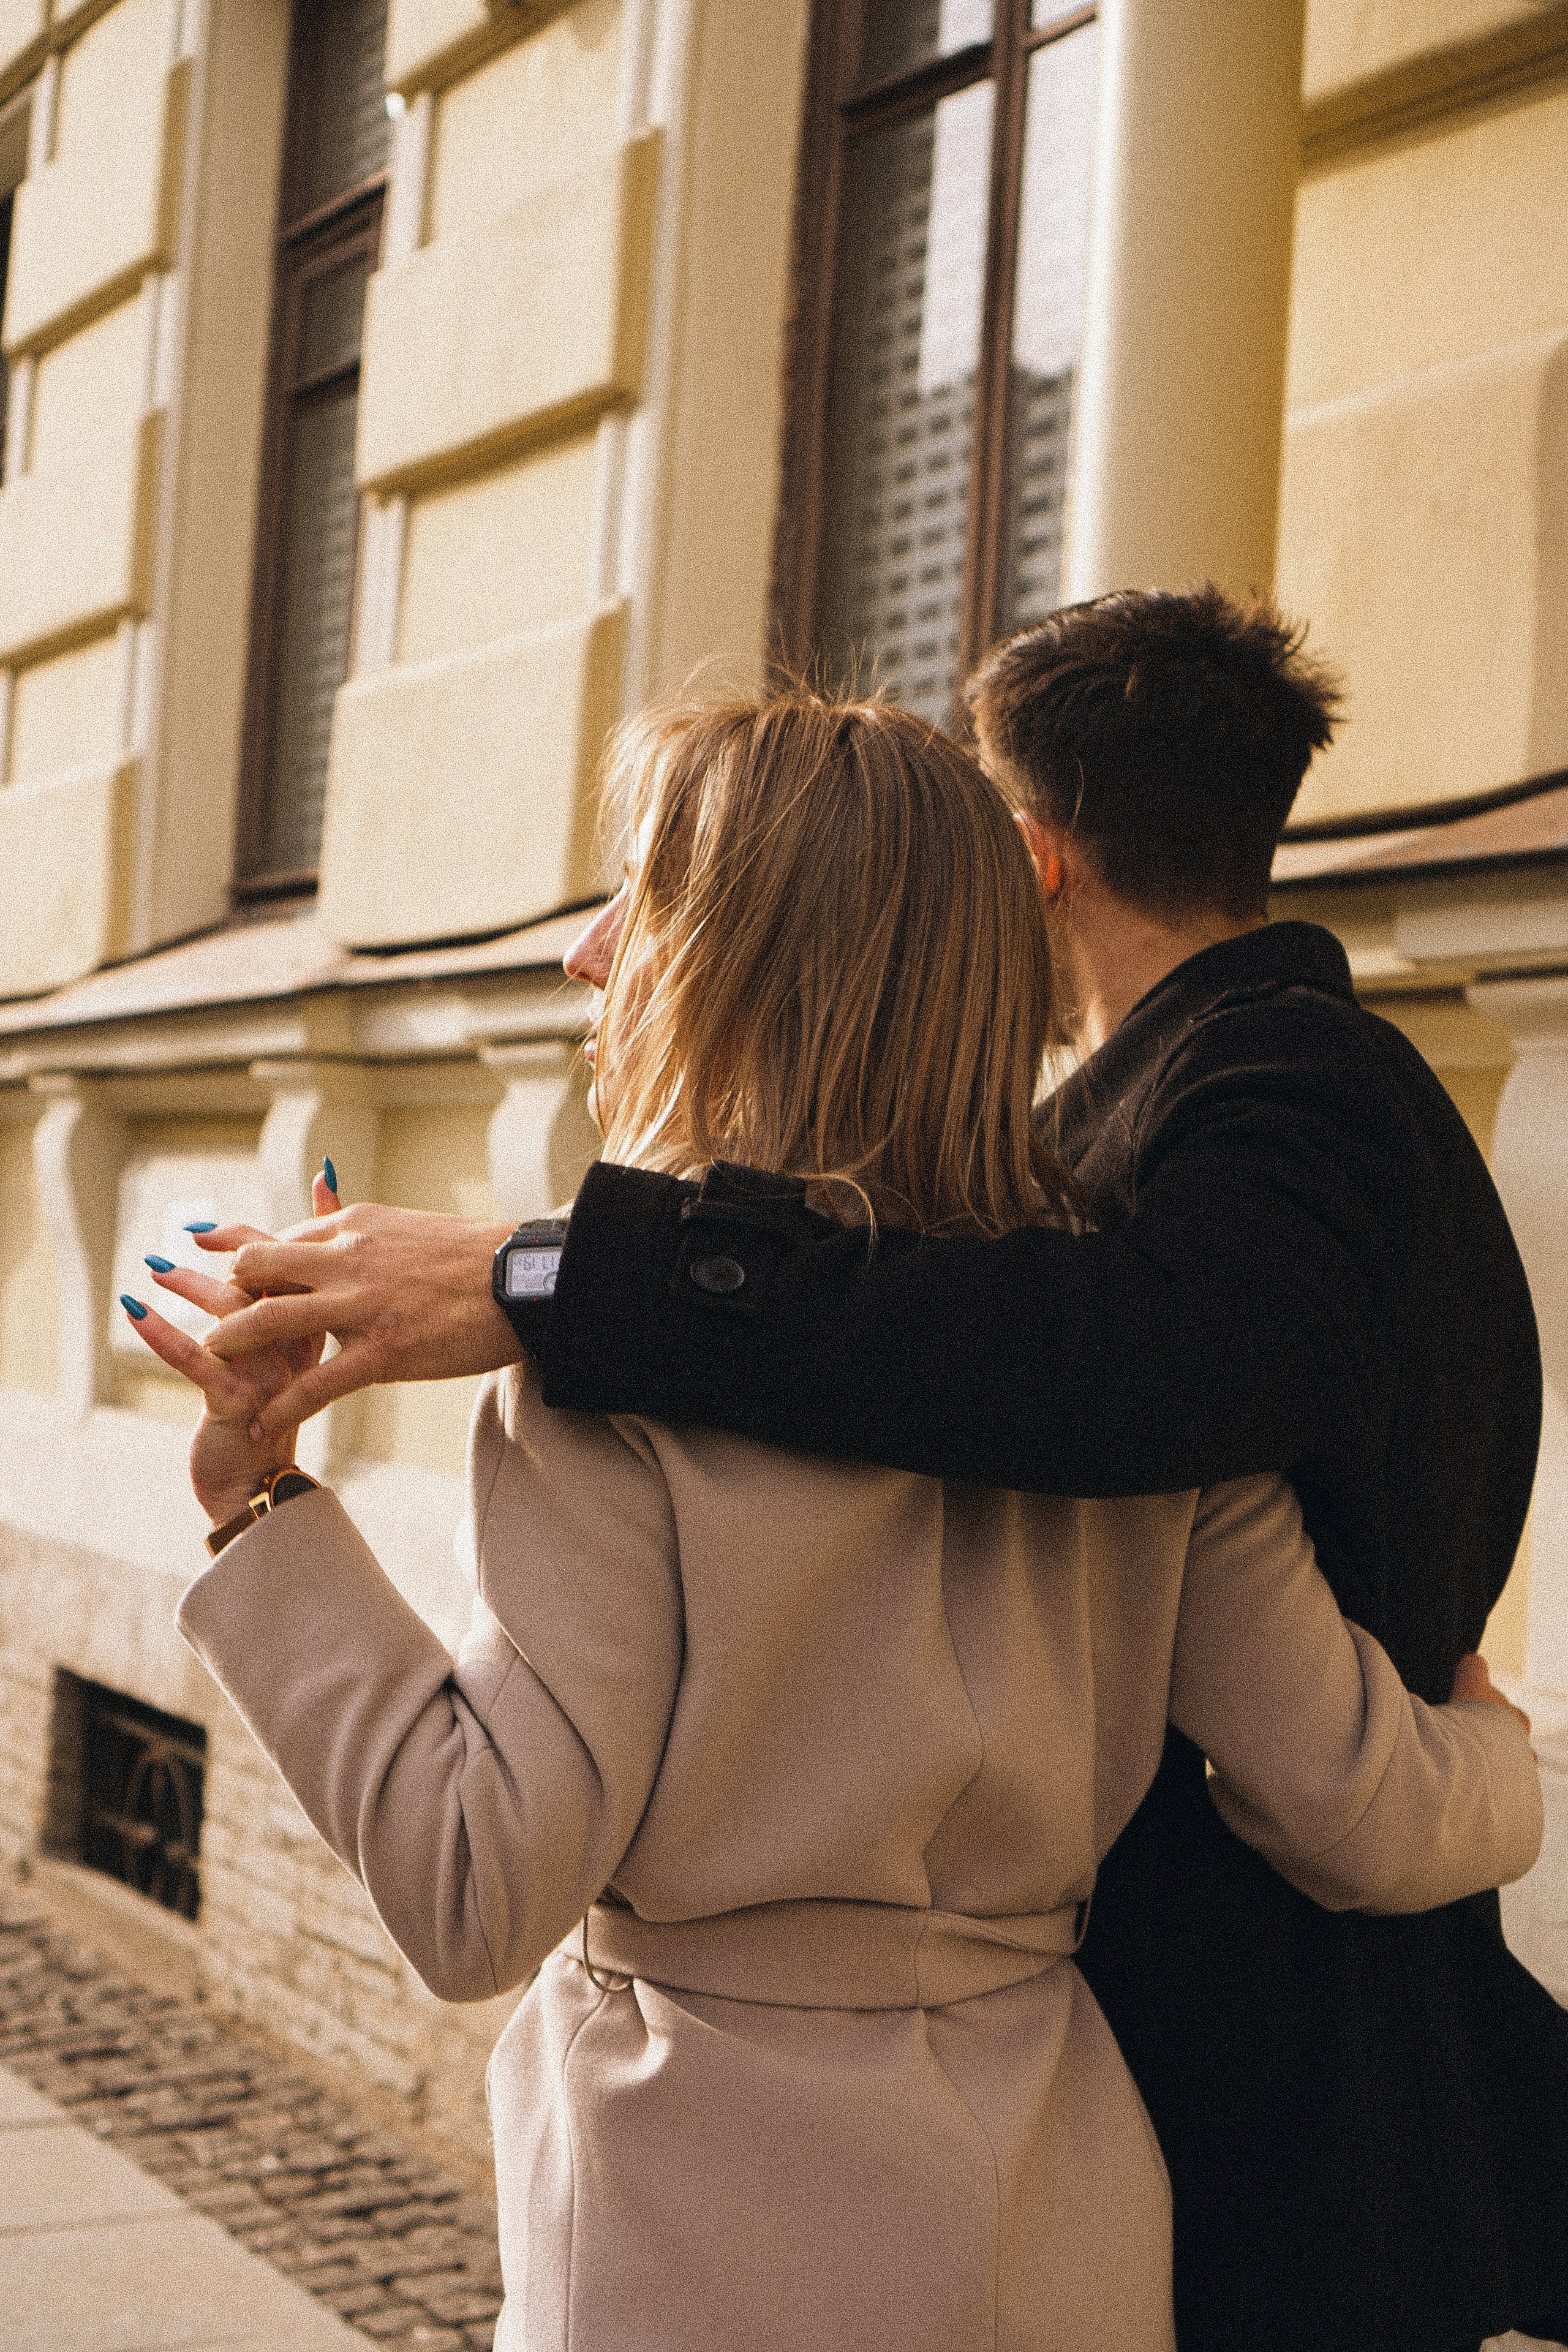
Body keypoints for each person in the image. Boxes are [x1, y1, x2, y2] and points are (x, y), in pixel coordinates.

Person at [172, 589, 1568, 2352]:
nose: (589, 958)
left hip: (697, 2219)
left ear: (750, 963)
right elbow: (1362, 1805)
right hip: (1060, 2205)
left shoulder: (626, 1396)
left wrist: (262, 1515)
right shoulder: (1133, 1397)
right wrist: (1500, 1763)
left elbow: (469, 1888)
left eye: (643, 904)